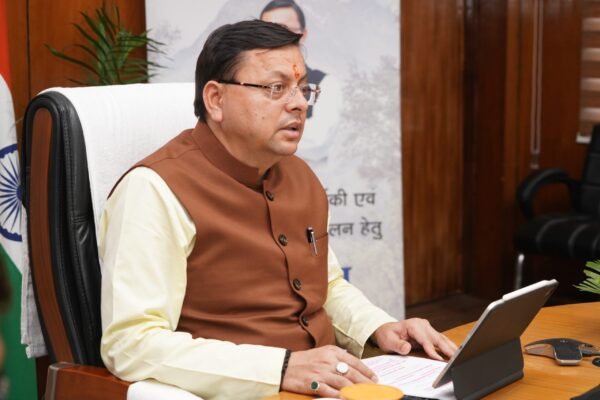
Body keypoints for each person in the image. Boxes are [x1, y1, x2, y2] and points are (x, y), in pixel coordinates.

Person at [100, 20, 456, 400]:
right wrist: (281, 368)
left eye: (303, 88)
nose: (299, 103)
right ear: (216, 100)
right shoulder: (154, 190)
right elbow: (131, 343)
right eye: (276, 88)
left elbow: (326, 287)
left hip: (335, 386)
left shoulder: (300, 176)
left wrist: (380, 328)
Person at [260, 0, 343, 165]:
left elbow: (318, 142)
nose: (275, 38)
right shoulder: (248, 83)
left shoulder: (326, 84)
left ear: (303, 35)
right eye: (266, 31)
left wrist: (257, 132)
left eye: (284, 30)